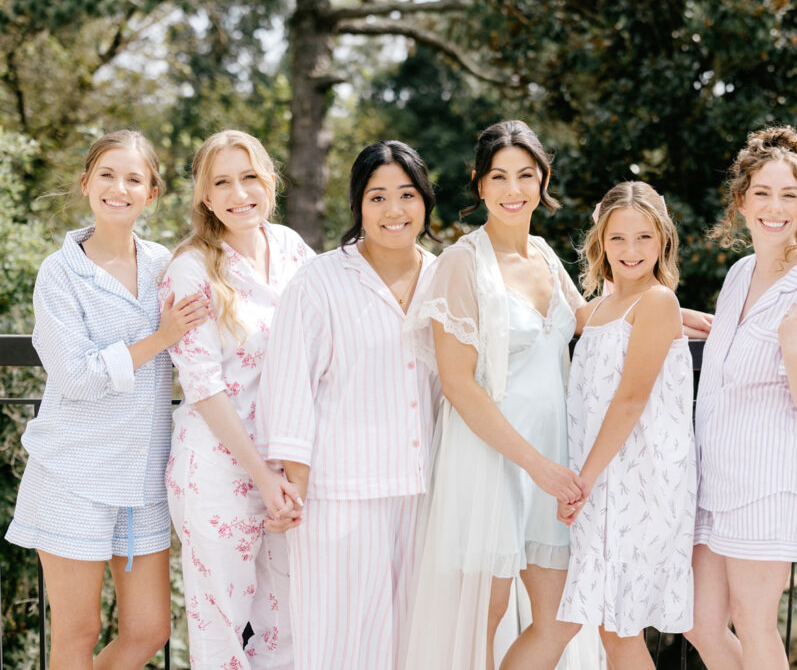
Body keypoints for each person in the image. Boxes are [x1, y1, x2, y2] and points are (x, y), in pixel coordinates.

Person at [5, 130, 208, 667]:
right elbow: (74, 376)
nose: (120, 187)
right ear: (86, 183)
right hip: (74, 472)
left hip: (143, 478)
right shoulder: (59, 274)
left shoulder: (168, 265)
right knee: (77, 632)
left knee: (149, 631)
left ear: (152, 193)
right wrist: (158, 339)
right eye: (107, 175)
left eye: (134, 178)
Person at [404, 119, 594, 670]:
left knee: (560, 618)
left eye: (526, 176)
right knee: (481, 618)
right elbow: (459, 385)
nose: (514, 189)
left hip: (552, 457)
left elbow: (592, 320)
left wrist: (673, 314)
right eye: (500, 177)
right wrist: (535, 466)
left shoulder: (544, 254)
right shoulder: (462, 263)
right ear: (479, 184)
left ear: (542, 182)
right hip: (490, 459)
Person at [257, 140, 440, 669]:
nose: (393, 210)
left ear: (425, 201)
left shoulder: (447, 277)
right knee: (338, 648)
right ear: (359, 205)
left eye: (406, 195)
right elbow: (289, 390)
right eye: (377, 197)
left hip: (424, 493)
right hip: (337, 497)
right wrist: (295, 490)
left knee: (416, 647)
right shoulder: (318, 282)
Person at [683, 126, 797, 669]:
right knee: (700, 622)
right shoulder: (738, 273)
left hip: (770, 481)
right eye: (762, 193)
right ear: (741, 200)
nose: (774, 208)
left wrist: (793, 350)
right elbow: (731, 353)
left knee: (754, 623)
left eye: (789, 195)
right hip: (715, 476)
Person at [161, 129, 314, 669]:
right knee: (221, 631)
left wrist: (291, 477)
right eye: (221, 182)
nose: (239, 192)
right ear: (205, 196)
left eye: (249, 176)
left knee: (292, 624)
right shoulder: (190, 269)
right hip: (220, 470)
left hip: (288, 468)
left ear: (269, 181)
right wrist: (262, 477)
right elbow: (202, 386)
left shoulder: (295, 249)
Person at [555, 181, 697, 670]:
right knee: (611, 628)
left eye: (643, 238)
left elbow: (631, 399)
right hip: (600, 478)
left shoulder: (657, 302)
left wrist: (582, 482)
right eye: (617, 238)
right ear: (600, 242)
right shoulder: (595, 310)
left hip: (634, 478)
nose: (630, 251)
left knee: (619, 629)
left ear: (662, 242)